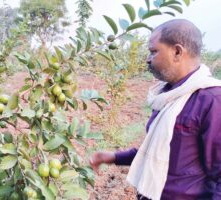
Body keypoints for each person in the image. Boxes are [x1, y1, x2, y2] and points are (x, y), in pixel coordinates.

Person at [89, 19, 221, 200]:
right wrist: (111, 157)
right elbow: (155, 152)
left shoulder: (212, 100)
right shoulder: (168, 96)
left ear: (177, 52)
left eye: (153, 51)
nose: (148, 59)